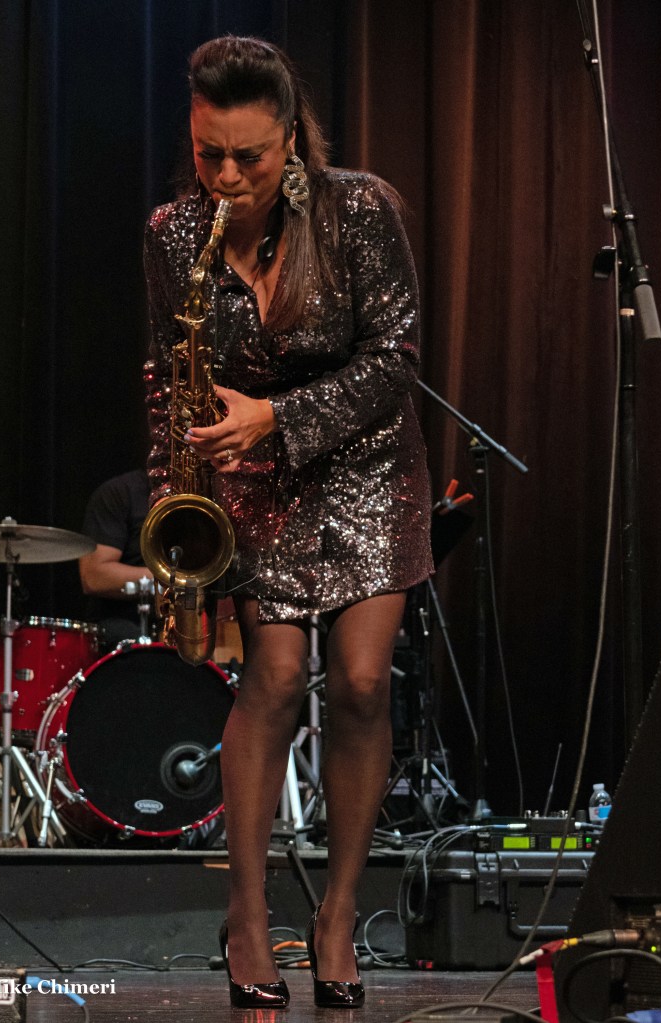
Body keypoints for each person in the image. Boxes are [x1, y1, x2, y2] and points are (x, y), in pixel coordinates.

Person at [143, 36, 433, 1009]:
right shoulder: (174, 233)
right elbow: (167, 380)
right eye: (208, 154)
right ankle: (248, 917)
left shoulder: (360, 210)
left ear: (291, 141)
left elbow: (394, 360)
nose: (226, 177)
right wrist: (176, 510)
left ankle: (339, 915)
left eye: (249, 158)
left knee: (360, 683)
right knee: (271, 676)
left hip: (364, 464)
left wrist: (278, 416)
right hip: (251, 480)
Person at [78, 469, 154, 650]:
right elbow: (94, 576)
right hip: (126, 625)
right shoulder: (120, 492)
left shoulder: (213, 493)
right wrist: (176, 580)